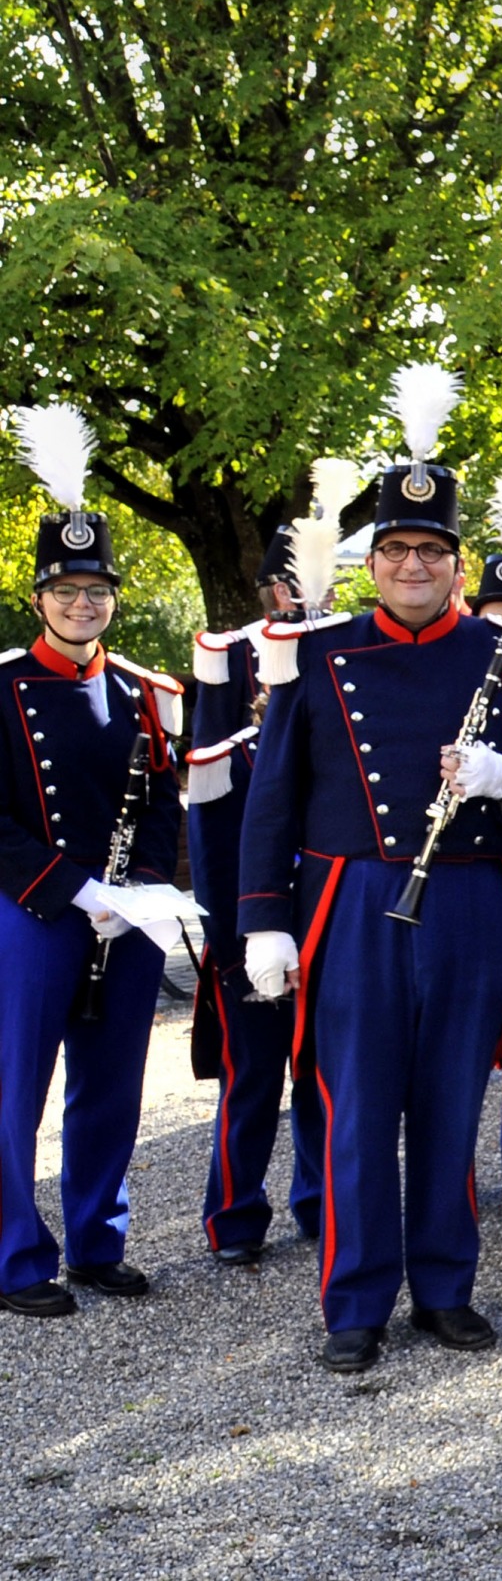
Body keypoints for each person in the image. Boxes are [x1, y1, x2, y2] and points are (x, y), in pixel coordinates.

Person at [239, 370, 502, 1374]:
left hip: (473, 896)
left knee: (446, 1105)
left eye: (431, 550)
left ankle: (444, 1285)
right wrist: (265, 917)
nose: (412, 564)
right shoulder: (315, 655)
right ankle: (355, 1300)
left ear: (455, 561)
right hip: (350, 898)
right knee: (354, 1106)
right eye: (395, 549)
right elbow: (272, 797)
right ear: (373, 560)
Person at [1, 408, 184, 1319]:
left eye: (97, 589)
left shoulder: (143, 691)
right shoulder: (1, 688)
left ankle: (96, 1242)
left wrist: (138, 892)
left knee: (112, 1083)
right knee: (15, 1091)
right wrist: (75, 889)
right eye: (67, 588)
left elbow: (162, 797)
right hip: (32, 909)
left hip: (127, 912)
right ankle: (13, 1257)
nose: (84, 602)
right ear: (39, 596)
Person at [184, 535, 324, 1268]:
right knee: (252, 1083)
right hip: (252, 939)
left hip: (326, 929)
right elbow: (211, 857)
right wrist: (234, 942)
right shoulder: (227, 754)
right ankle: (235, 1218)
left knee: (321, 1080)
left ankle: (318, 1201)